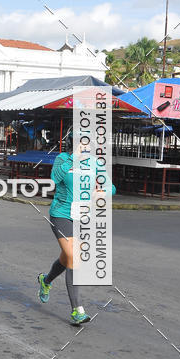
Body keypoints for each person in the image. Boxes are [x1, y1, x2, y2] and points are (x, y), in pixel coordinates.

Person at [37, 137, 116, 325]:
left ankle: (45, 280)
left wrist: (102, 192)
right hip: (61, 214)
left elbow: (111, 187)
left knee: (67, 258)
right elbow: (54, 178)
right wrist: (75, 159)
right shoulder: (63, 159)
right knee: (74, 256)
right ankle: (77, 310)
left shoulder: (95, 163)